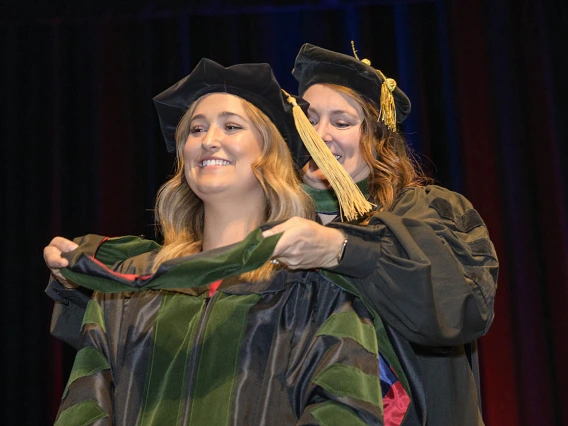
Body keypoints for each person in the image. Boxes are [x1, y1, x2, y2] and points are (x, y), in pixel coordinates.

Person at [50, 58, 383, 425]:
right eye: (195, 129)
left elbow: (345, 411)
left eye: (231, 126)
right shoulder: (130, 286)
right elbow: (85, 407)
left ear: (270, 152)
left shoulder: (318, 290)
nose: (209, 141)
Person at [257, 43, 498, 426]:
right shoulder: (264, 229)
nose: (320, 136)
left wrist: (341, 249)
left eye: (341, 122)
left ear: (376, 138)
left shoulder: (424, 214)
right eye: (308, 119)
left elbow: (460, 307)